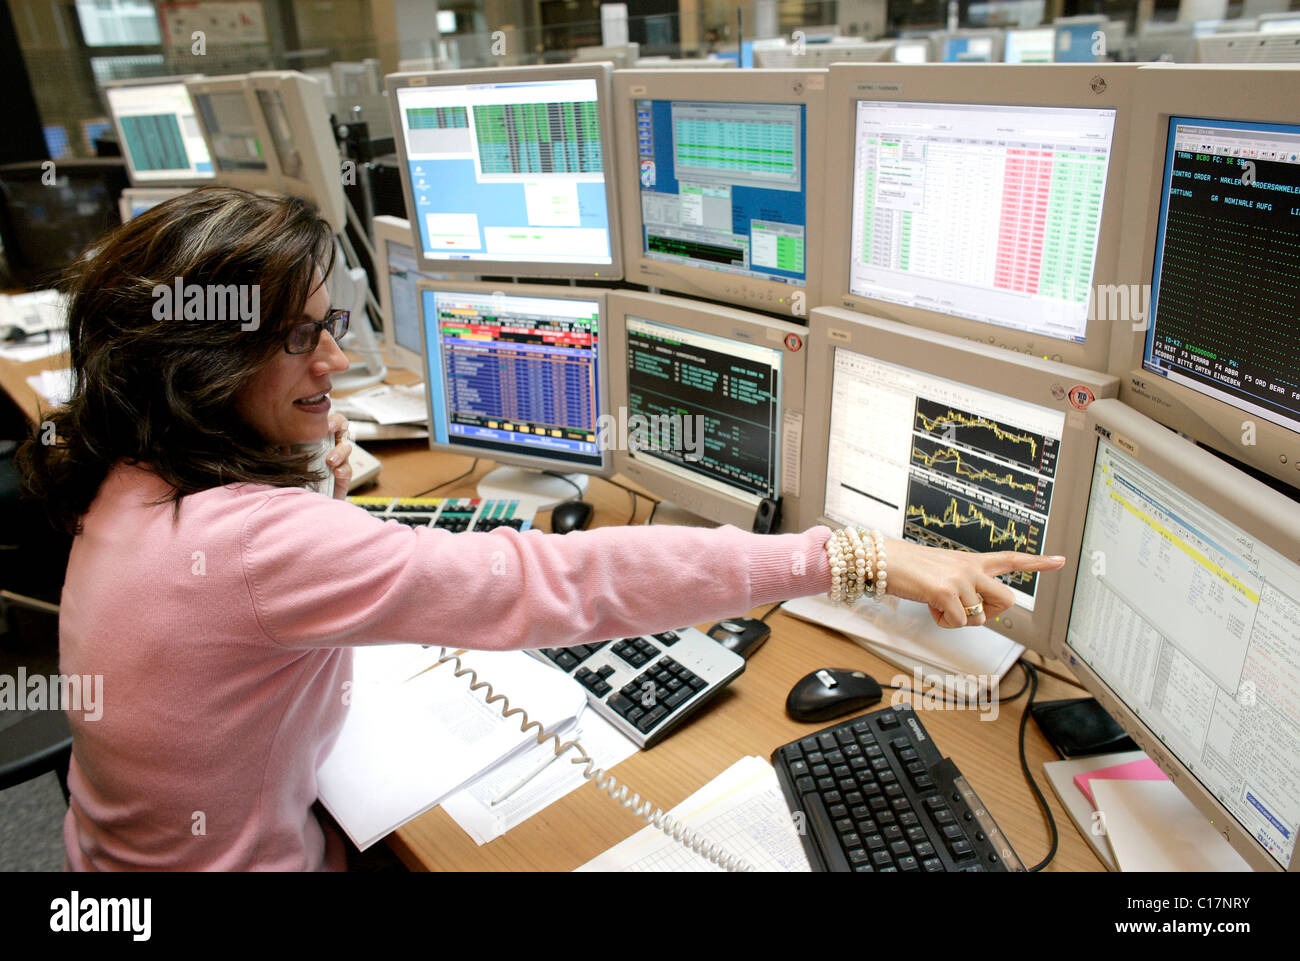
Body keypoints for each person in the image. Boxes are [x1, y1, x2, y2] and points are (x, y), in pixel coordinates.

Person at [18, 186, 1063, 871]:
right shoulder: (256, 545)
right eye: (300, 339)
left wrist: (303, 456)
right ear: (203, 370)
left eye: (330, 325)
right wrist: (853, 554)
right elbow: (560, 581)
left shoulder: (130, 472)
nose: (334, 363)